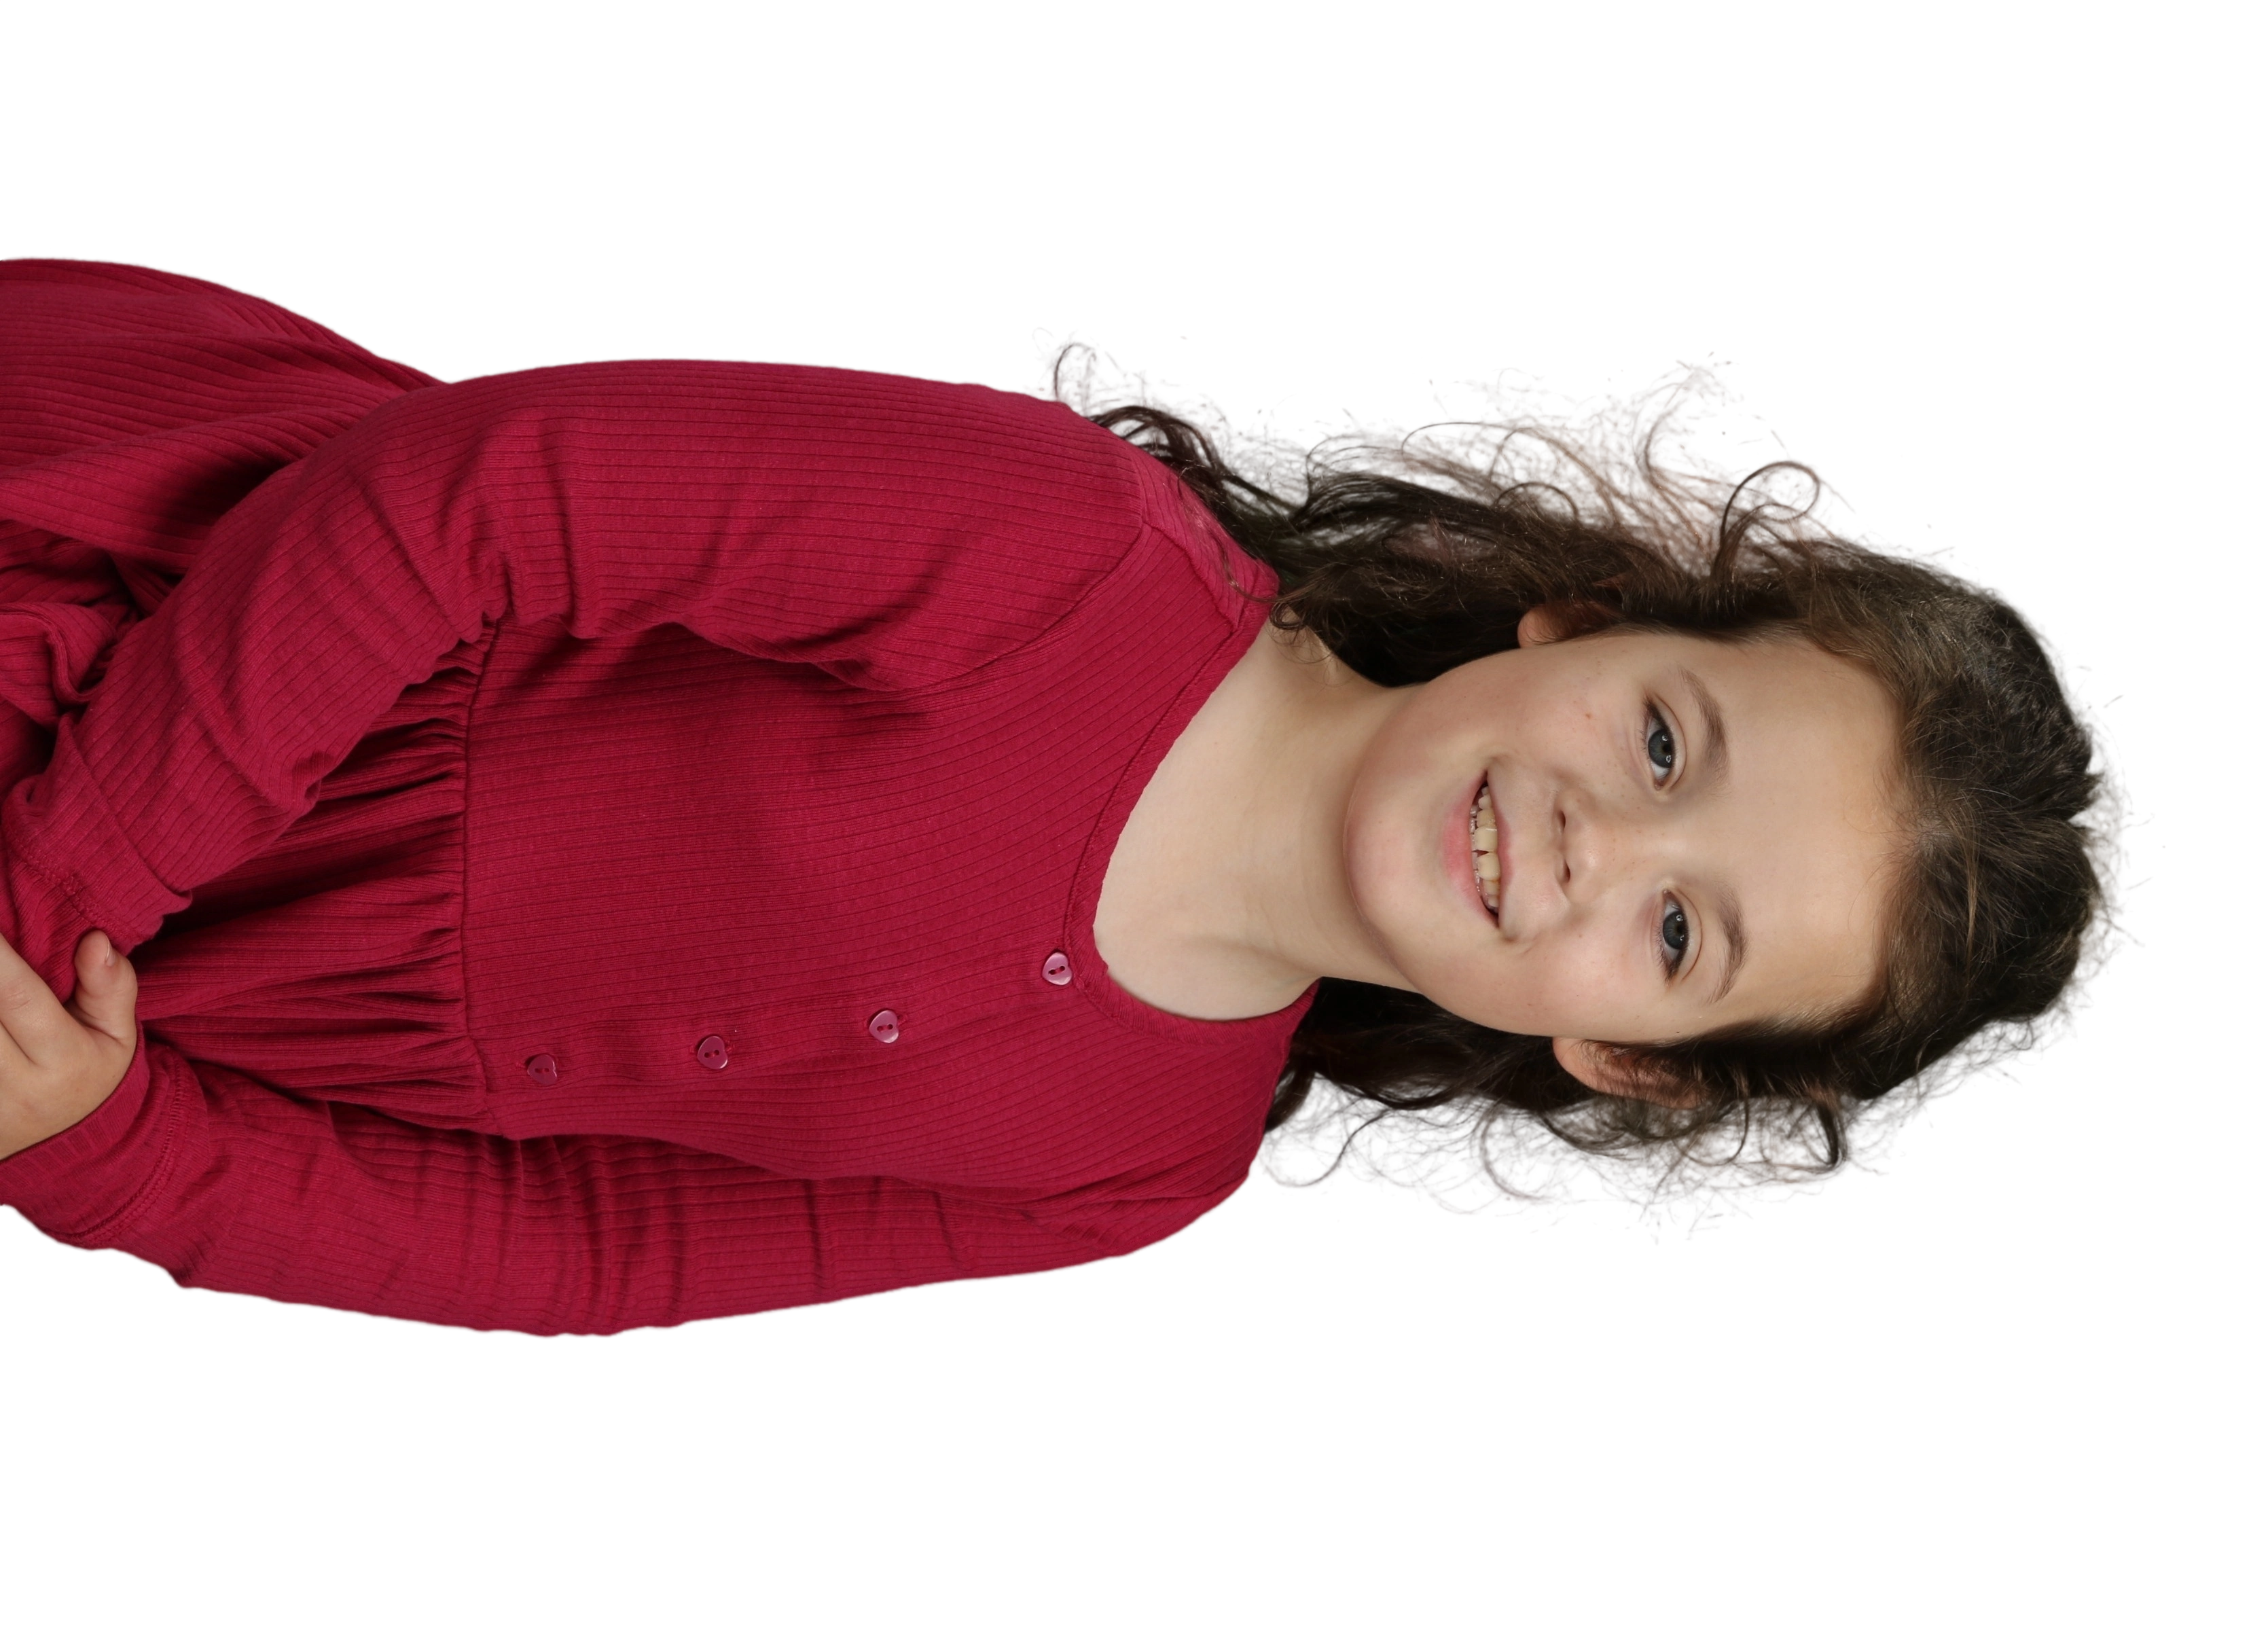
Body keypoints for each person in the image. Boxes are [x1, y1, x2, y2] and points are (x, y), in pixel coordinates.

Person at [0, 259, 2136, 1339]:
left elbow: (586, 1250)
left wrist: (107, 1146)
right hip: (102, 652)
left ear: (1633, 1066)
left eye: (1680, 935)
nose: (1603, 841)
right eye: (1668, 743)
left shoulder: (1134, 1177)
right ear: (1586, 622)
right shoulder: (1069, 559)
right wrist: (63, 887)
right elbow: (469, 500)